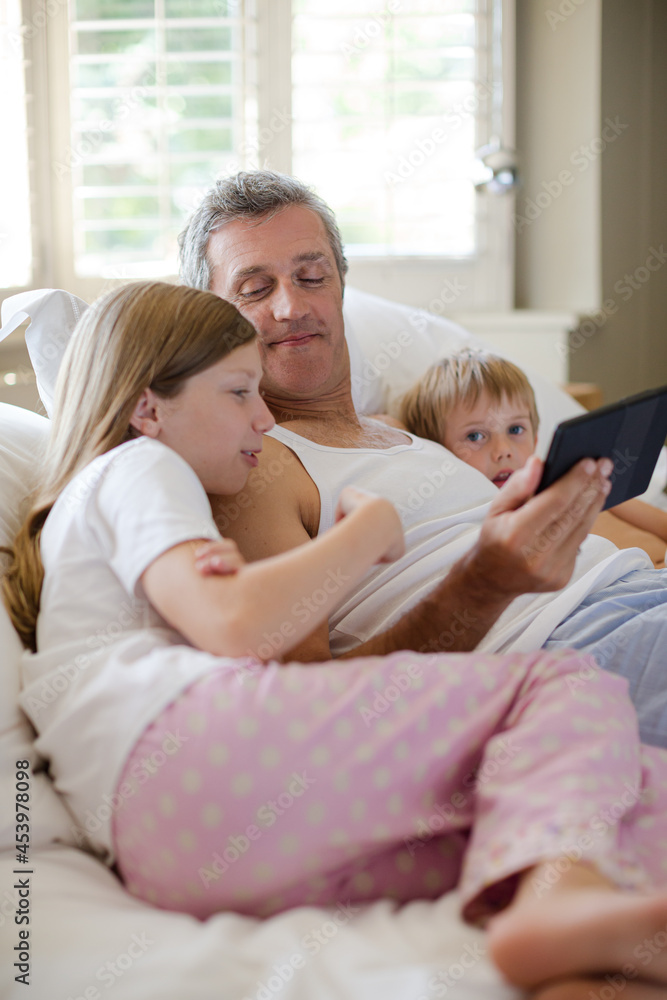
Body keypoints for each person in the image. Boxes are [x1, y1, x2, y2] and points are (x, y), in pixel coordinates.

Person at [6, 279, 667, 1000]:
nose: (262, 417)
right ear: (145, 407)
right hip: (183, 761)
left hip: (181, 844)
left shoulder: (123, 516)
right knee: (560, 685)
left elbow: (226, 623)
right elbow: (238, 625)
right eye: (238, 392)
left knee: (612, 795)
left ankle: (575, 952)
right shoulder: (139, 463)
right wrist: (365, 532)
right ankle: (563, 898)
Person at [177, 169, 667, 750]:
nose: (291, 306)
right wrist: (481, 585)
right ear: (212, 316)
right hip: (565, 645)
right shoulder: (259, 468)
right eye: (255, 289)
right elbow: (313, 700)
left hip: (641, 589)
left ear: (340, 288)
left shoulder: (413, 431)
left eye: (312, 276)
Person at [398, 348, 667, 566]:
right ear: (439, 451)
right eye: (475, 436)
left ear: (536, 439)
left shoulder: (576, 480)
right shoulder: (479, 522)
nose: (503, 449)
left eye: (515, 430)